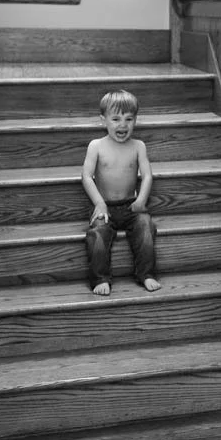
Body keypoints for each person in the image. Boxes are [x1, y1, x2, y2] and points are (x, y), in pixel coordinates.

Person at [82, 90, 161, 295]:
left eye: (129, 119)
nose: (122, 125)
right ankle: (100, 278)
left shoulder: (138, 146)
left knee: (146, 227)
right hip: (105, 206)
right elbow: (86, 176)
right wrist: (99, 203)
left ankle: (146, 274)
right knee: (98, 234)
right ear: (103, 120)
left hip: (131, 204)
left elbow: (147, 175)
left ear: (136, 120)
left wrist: (142, 199)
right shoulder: (96, 146)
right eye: (115, 119)